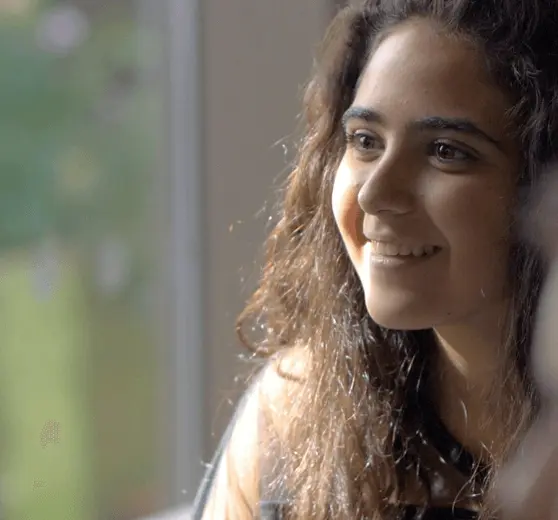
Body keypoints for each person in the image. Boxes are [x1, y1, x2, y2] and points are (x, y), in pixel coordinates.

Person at [192, 0, 558, 518]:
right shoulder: (297, 413)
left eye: (445, 151)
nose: (374, 193)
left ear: (544, 188)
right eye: (365, 141)